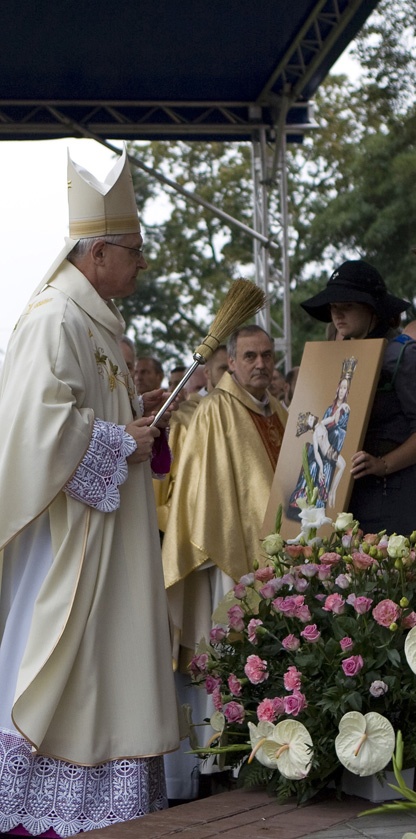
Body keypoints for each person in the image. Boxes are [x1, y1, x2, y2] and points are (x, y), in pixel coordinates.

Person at [0, 148, 179, 836]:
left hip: (112, 535)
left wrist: (140, 419)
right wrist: (114, 440)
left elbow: (90, 413)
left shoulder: (99, 317)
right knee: (73, 674)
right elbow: (29, 428)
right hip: (70, 546)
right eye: (133, 251)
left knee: (115, 666)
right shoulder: (53, 317)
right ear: (97, 252)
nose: (141, 263)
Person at [161, 324, 287, 799]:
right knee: (224, 661)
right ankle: (219, 762)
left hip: (271, 558)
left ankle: (263, 752)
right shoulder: (215, 410)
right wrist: (228, 545)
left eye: (267, 356)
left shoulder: (276, 409)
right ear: (230, 362)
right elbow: (203, 494)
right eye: (250, 356)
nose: (260, 364)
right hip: (225, 559)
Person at [300, 260, 416, 535]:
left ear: (372, 308)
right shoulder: (334, 358)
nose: (337, 314)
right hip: (342, 497)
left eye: (346, 306)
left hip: (393, 497)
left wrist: (383, 464)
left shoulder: (404, 355)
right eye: (333, 307)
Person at [288, 358, 355, 513]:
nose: (312, 416)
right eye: (341, 387)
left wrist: (342, 408)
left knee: (344, 465)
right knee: (341, 465)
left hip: (332, 450)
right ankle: (329, 493)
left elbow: (333, 419)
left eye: (346, 388)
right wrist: (320, 469)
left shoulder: (322, 423)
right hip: (326, 454)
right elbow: (317, 452)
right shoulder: (316, 432)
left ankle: (332, 492)